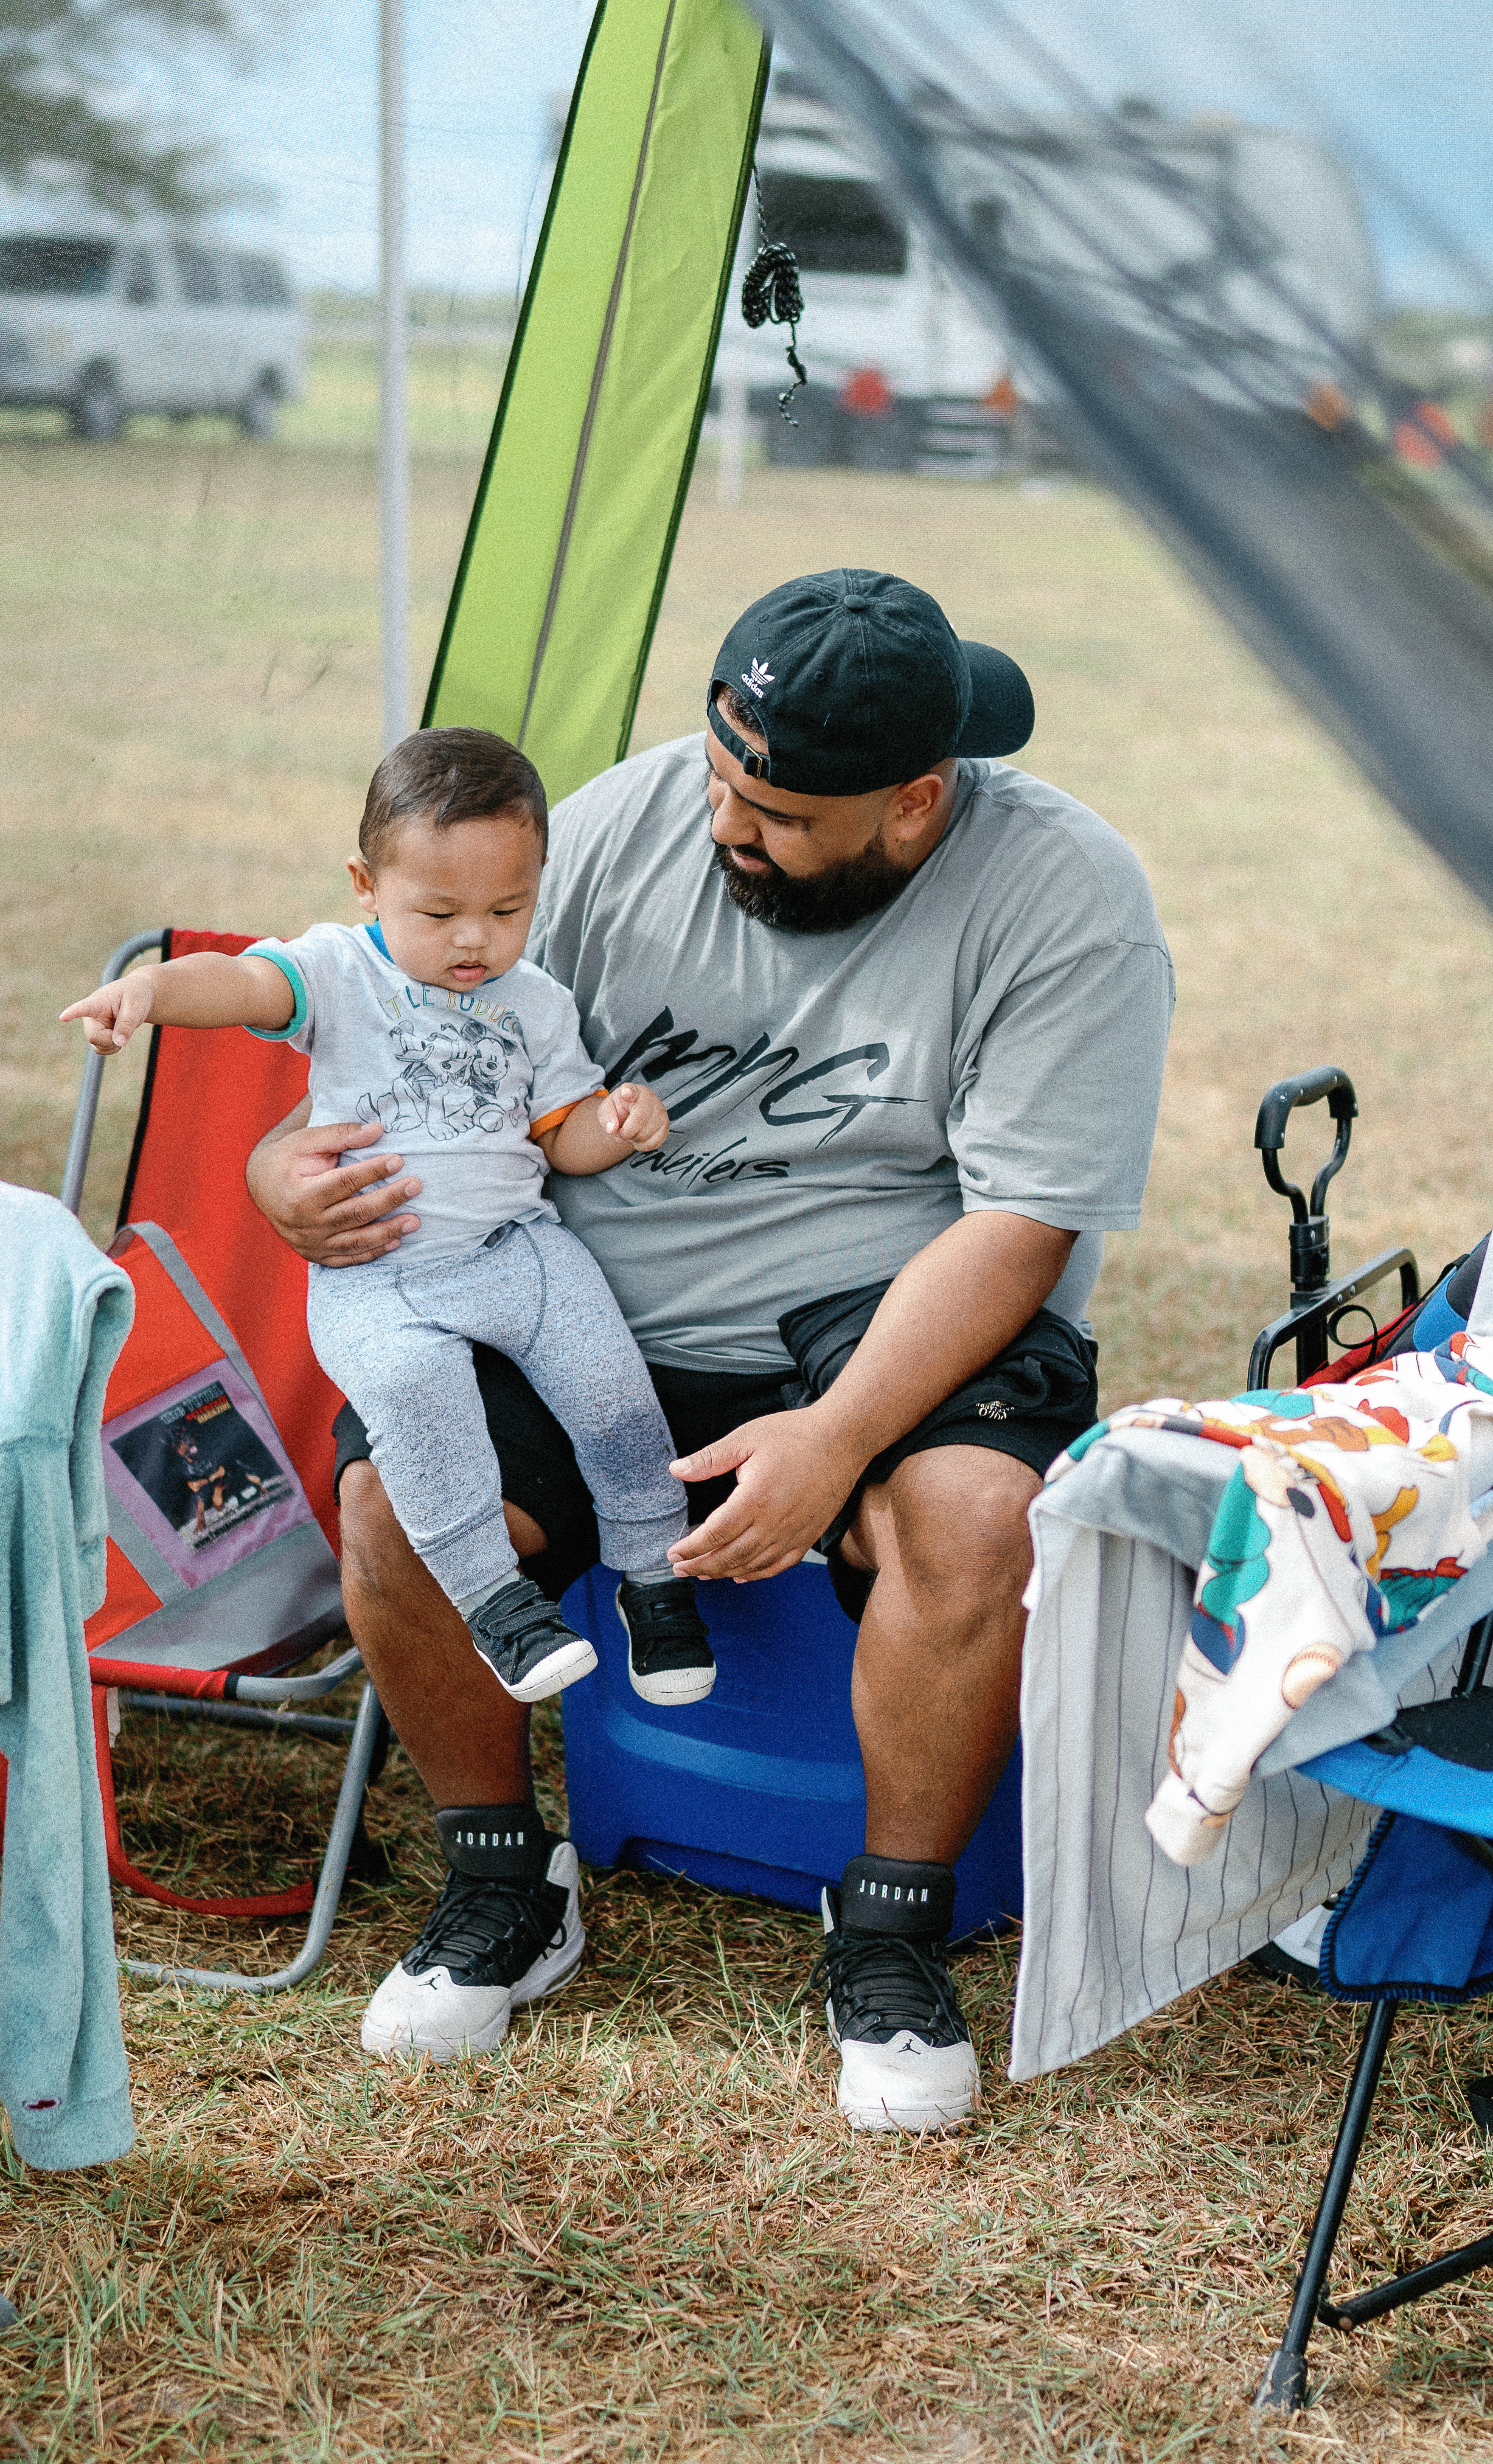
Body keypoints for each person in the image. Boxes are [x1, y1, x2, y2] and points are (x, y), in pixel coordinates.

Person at [249, 569, 1175, 2131]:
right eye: (721, 778)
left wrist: (838, 1433)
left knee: (977, 1515)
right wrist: (281, 1171)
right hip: (581, 1296)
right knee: (395, 1500)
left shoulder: (1068, 896)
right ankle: (506, 1881)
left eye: (780, 814)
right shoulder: (628, 823)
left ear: (915, 802)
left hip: (882, 1313)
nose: (726, 825)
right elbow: (402, 1023)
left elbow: (1021, 1227)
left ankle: (890, 1928)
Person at [61, 726, 719, 1713]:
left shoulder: (537, 1003)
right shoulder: (339, 972)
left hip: (519, 1252)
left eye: (508, 910)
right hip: (384, 1279)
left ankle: (654, 1576)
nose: (474, 940)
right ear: (367, 886)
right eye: (440, 912)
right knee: (419, 1406)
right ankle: (494, 1602)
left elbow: (562, 1136)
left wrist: (617, 1125)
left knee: (614, 1392)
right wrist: (151, 990)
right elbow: (243, 983)